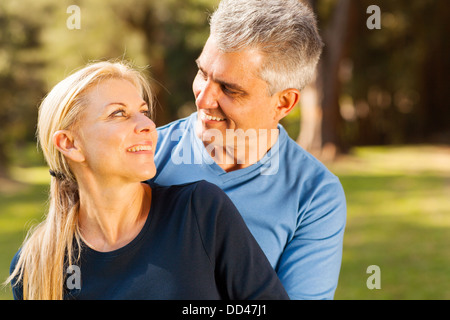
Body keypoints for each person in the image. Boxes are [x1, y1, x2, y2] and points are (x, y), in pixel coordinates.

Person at [6, 61, 289, 300]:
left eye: (143, 112)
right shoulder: (36, 265)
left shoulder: (199, 211)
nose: (148, 126)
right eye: (119, 114)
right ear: (69, 144)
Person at [152, 0, 347, 299]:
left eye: (230, 89)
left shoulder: (316, 196)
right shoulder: (145, 155)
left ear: (283, 103)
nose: (204, 99)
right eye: (203, 74)